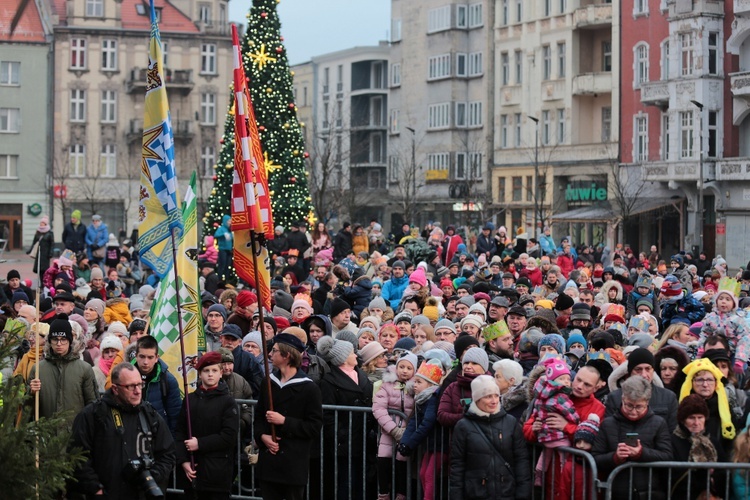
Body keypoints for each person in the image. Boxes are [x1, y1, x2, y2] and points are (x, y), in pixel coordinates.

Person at [70, 362, 176, 499]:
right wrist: (95, 489)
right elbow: (77, 457)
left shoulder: (150, 415)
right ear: (115, 388)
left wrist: (153, 476)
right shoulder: (93, 415)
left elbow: (168, 453)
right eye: (131, 386)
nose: (138, 391)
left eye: (140, 384)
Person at [254, 333, 323, 500]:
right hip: (269, 461)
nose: (270, 354)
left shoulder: (309, 388)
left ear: (287, 356)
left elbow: (314, 427)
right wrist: (263, 436)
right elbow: (258, 417)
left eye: (275, 351)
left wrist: (284, 421)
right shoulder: (268, 382)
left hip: (293, 463)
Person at [449, 374, 532, 499]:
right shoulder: (463, 426)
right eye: (488, 396)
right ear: (477, 399)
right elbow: (457, 466)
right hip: (475, 494)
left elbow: (521, 460)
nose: (494, 401)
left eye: (496, 396)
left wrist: (523, 494)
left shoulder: (510, 422)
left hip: (506, 493)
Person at [592, 376, 673, 500]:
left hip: (650, 492)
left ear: (647, 402)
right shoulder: (608, 424)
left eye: (639, 407)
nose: (633, 412)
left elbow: (667, 456)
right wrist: (615, 457)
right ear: (623, 399)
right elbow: (595, 458)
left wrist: (641, 453)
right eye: (629, 405)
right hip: (618, 492)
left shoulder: (659, 423)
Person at [175, 351, 239, 499]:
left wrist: (200, 444)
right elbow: (180, 432)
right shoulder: (190, 400)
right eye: (206, 371)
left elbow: (228, 436)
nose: (210, 374)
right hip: (192, 470)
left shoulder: (228, 402)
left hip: (217, 473)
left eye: (214, 370)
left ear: (221, 373)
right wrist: (184, 461)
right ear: (199, 374)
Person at [318, 335, 374, 500]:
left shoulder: (361, 375)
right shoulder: (328, 382)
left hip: (364, 439)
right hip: (345, 443)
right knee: (347, 483)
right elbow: (327, 416)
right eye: (352, 353)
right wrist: (340, 436)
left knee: (363, 483)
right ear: (342, 358)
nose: (356, 355)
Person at [29, 314, 98, 422]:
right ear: (49, 341)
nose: (59, 344)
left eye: (63, 339)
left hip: (75, 433)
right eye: (55, 339)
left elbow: (93, 405)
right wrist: (31, 392)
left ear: (70, 340)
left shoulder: (85, 369)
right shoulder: (38, 369)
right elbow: (27, 410)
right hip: (46, 434)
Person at [372, 351, 417, 500]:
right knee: (383, 465)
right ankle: (383, 495)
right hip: (388, 432)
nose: (404, 370)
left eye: (409, 368)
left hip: (407, 433)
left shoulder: (416, 388)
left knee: (402, 467)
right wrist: (393, 429)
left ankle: (401, 496)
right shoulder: (387, 386)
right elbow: (378, 408)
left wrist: (407, 430)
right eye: (401, 366)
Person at [604, 348, 679, 433]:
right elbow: (609, 432)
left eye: (648, 369)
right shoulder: (614, 398)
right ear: (630, 372)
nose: (644, 375)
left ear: (653, 370)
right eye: (638, 369)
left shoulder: (668, 397)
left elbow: (672, 433)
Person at [670, 394, 718, 499]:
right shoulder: (673, 441)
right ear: (683, 420)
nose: (696, 423)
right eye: (691, 418)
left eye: (700, 417)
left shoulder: (713, 441)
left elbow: (723, 473)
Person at [133, 335, 182, 436]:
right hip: (132, 434)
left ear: (156, 358)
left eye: (150, 357)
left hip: (158, 435)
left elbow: (175, 416)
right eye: (142, 356)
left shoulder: (168, 380)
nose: (146, 362)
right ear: (136, 356)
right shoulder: (124, 377)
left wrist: (171, 444)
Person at [214, 215, 234, 280]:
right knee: (222, 265)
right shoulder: (221, 229)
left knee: (227, 266)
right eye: (228, 221)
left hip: (229, 250)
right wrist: (223, 235)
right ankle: (219, 280)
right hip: (223, 250)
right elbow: (216, 235)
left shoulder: (229, 230)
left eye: (230, 221)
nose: (230, 222)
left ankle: (227, 280)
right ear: (225, 221)